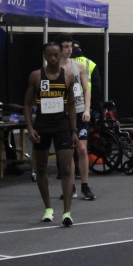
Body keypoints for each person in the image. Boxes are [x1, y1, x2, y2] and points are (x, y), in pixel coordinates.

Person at [23, 42, 78, 227]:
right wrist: (30, 128)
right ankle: (48, 208)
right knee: (41, 169)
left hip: (61, 125)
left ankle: (67, 213)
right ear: (45, 56)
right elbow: (27, 104)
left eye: (56, 55)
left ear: (60, 55)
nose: (53, 58)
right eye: (49, 55)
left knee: (67, 169)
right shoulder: (36, 76)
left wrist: (74, 130)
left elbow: (71, 105)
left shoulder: (68, 76)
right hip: (42, 126)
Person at [58, 35, 95, 201]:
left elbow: (86, 89)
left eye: (70, 46)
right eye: (66, 46)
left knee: (82, 148)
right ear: (59, 48)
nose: (69, 49)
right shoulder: (54, 69)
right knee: (69, 151)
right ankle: (71, 186)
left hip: (80, 112)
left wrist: (87, 109)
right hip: (64, 114)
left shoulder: (79, 65)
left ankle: (85, 186)